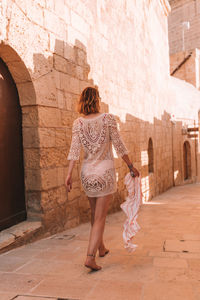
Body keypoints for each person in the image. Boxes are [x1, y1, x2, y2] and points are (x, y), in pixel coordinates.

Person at [65, 87, 139, 271]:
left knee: (94, 214)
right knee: (100, 218)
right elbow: (119, 145)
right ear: (97, 100)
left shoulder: (78, 123)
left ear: (82, 101)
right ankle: (90, 257)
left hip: (87, 173)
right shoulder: (108, 119)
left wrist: (68, 174)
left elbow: (74, 151)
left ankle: (102, 248)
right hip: (105, 173)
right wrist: (130, 166)